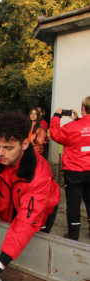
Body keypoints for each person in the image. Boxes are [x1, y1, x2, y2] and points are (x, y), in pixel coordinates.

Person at [0, 112, 61, 281]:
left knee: (32, 246)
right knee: (12, 240)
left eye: (8, 147)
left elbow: (27, 222)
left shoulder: (39, 174)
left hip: (41, 212)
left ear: (25, 144)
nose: (0, 153)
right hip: (9, 207)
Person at [50, 96, 90, 241]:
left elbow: (55, 134)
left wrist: (56, 116)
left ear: (83, 108)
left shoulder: (72, 127)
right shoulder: (77, 124)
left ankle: (73, 234)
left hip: (74, 170)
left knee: (74, 202)